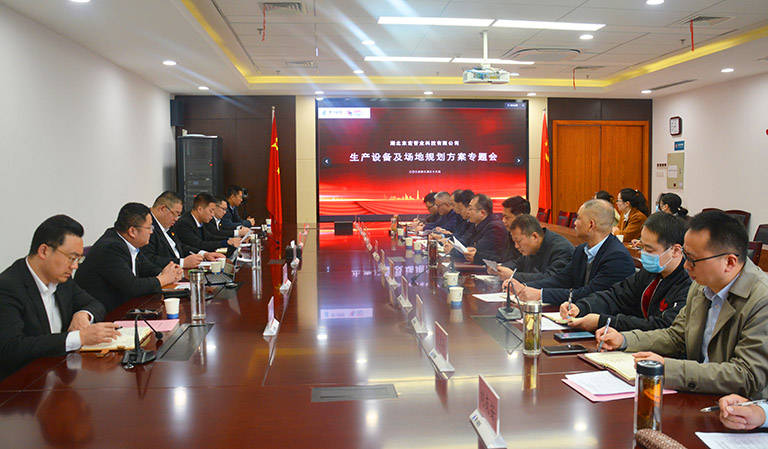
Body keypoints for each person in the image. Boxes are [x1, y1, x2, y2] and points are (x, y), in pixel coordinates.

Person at [597, 210, 768, 397]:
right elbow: (676, 336)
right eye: (686, 257)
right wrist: (625, 340)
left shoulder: (762, 300)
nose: (686, 266)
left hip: (739, 406)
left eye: (693, 260)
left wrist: (668, 369)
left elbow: (747, 375)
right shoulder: (701, 286)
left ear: (729, 262)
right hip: (698, 393)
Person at [0, 215, 120, 380]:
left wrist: (83, 314)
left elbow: (94, 303)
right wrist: (78, 338)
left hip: (60, 374)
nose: (75, 266)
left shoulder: (62, 280)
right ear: (44, 251)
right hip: (24, 384)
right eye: (71, 258)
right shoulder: (8, 287)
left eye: (78, 259)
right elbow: (11, 348)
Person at [560, 212, 690, 332]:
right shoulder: (649, 273)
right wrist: (582, 307)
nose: (643, 253)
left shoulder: (688, 284)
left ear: (675, 251)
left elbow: (662, 327)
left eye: (649, 250)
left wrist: (603, 322)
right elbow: (616, 296)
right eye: (641, 247)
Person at [507, 199, 636, 305]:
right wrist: (525, 286)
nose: (574, 222)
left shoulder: (617, 257)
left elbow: (590, 293)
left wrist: (541, 294)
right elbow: (561, 279)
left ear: (591, 225)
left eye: (578, 218)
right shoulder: (581, 250)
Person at [75, 203, 183, 312]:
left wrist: (170, 272)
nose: (151, 232)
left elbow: (148, 269)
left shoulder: (129, 244)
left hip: (127, 307)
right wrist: (164, 278)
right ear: (132, 231)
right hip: (106, 313)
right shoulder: (111, 248)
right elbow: (133, 286)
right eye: (149, 228)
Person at [141, 191, 225, 268]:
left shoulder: (168, 224)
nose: (176, 218)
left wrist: (204, 254)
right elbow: (149, 259)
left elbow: (180, 246)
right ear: (162, 209)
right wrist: (182, 262)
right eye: (176, 213)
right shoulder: (146, 227)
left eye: (179, 214)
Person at [490, 214, 574, 283]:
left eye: (518, 241)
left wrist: (513, 276)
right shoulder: (532, 248)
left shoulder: (562, 249)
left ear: (534, 237)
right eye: (514, 242)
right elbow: (519, 263)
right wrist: (499, 268)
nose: (516, 246)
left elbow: (552, 279)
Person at [446, 194, 507, 263]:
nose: (468, 212)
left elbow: (477, 251)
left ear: (482, 213)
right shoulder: (476, 223)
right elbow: (465, 240)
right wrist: (452, 244)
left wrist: (453, 250)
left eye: (470, 209)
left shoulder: (495, 228)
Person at [175, 192, 243, 253]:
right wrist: (225, 242)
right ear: (200, 209)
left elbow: (209, 237)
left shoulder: (202, 221)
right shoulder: (184, 223)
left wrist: (230, 240)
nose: (213, 215)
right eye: (211, 211)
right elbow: (199, 244)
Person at [476, 196, 531, 267]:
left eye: (507, 217)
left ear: (520, 217)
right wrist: (477, 253)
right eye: (503, 217)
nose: (503, 221)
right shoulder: (510, 233)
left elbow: (514, 263)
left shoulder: (527, 239)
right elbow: (501, 256)